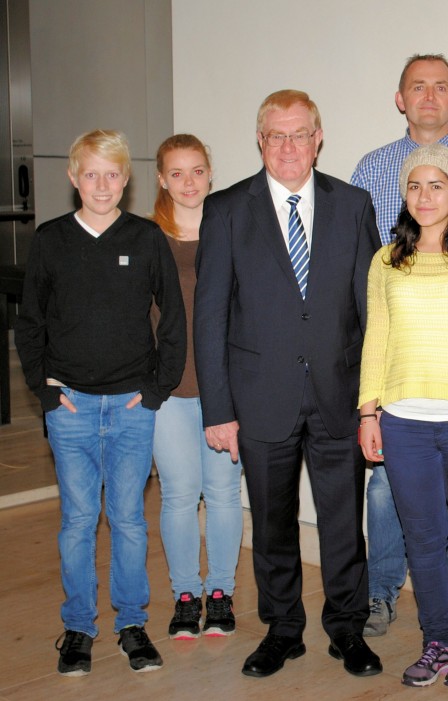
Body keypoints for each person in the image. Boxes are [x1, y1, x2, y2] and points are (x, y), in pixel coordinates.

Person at [193, 89, 382, 679]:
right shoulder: (226, 209)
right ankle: (282, 629)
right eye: (277, 135)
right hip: (259, 399)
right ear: (260, 140)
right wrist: (218, 410)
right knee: (273, 525)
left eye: (300, 134)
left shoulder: (353, 204)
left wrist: (374, 401)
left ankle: (347, 628)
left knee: (342, 523)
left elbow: (372, 309)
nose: (289, 146)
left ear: (318, 138)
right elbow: (210, 316)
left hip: (338, 395)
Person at [15, 129, 186, 676]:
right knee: (78, 520)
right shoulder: (50, 240)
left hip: (133, 406)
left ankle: (132, 625)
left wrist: (156, 390)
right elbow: (31, 322)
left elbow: (175, 321)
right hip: (72, 408)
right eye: (91, 174)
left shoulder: (146, 239)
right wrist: (44, 390)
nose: (103, 184)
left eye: (113, 173)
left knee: (130, 520)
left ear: (126, 179)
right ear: (73, 178)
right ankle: (79, 629)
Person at [350, 53, 448, 636]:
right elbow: (377, 338)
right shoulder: (386, 258)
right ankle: (420, 622)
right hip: (403, 414)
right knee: (413, 525)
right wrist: (370, 410)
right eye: (414, 185)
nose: (423, 193)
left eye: (436, 184)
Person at [150, 134, 243, 640]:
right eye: (177, 173)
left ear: (211, 173)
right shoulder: (144, 238)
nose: (189, 182)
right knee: (179, 494)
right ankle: (186, 594)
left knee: (225, 493)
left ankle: (221, 593)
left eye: (198, 171)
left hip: (224, 390)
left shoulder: (231, 230)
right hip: (168, 392)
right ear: (162, 179)